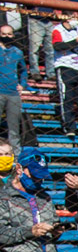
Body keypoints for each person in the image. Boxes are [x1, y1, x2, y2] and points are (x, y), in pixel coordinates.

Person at [0, 150, 59, 252]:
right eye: (34, 176)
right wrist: (30, 232)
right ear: (19, 169)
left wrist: (56, 230)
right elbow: (1, 233)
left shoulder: (45, 198)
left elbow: (55, 221)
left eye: (41, 177)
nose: (38, 180)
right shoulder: (5, 198)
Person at [50, 14, 78, 138]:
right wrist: (76, 41)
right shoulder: (58, 29)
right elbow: (57, 46)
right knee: (67, 99)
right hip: (65, 66)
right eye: (73, 16)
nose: (76, 19)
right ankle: (69, 127)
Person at [21, 0, 56, 82]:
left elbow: (53, 2)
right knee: (34, 48)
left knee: (50, 49)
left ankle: (50, 72)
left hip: (47, 20)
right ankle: (35, 72)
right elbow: (23, 2)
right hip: (35, 20)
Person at [0, 25, 26, 156]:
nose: (7, 37)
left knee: (14, 128)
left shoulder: (17, 52)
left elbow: (23, 70)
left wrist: (22, 84)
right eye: (4, 34)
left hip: (13, 93)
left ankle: (16, 157)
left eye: (9, 34)